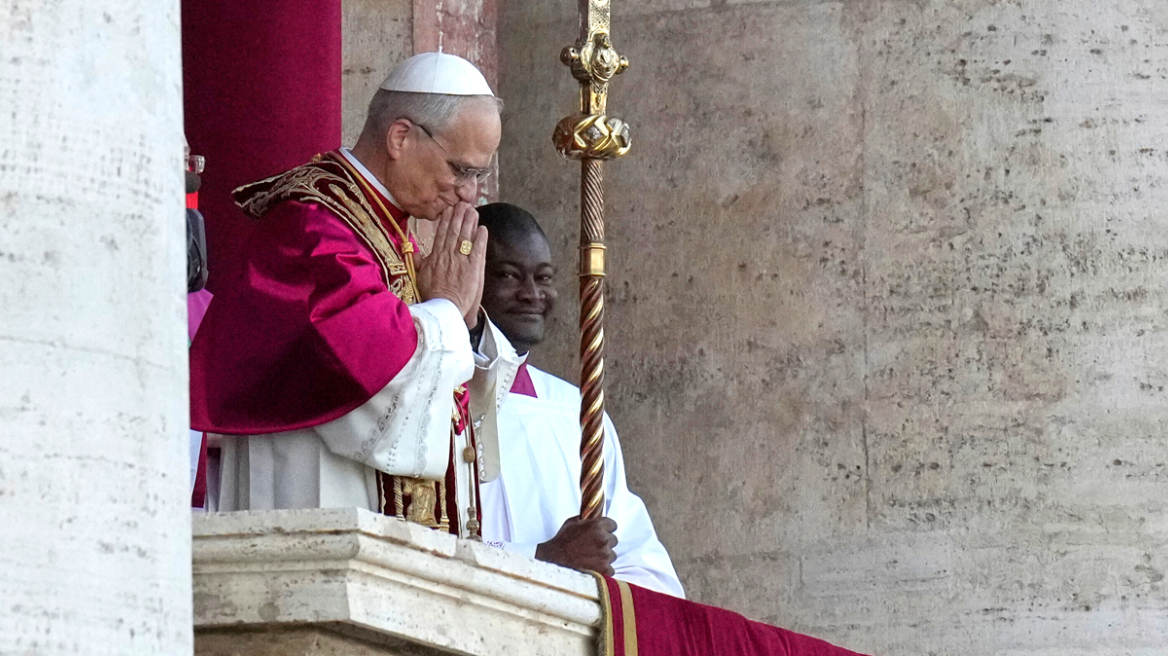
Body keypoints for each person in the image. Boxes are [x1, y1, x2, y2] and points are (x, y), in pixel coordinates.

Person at [189, 52, 517, 539]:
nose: (469, 194)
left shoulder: (388, 226)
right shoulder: (315, 225)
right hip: (314, 514)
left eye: (477, 176)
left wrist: (463, 324)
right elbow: (364, 365)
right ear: (401, 137)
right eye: (460, 170)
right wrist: (446, 312)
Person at [474, 203, 684, 597]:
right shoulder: (435, 399)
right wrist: (540, 557)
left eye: (544, 277)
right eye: (507, 275)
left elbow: (645, 567)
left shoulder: (577, 412)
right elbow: (418, 544)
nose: (532, 294)